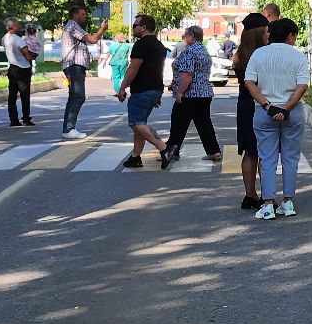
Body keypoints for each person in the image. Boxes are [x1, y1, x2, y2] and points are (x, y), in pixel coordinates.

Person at [243, 17, 310, 219]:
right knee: (291, 158)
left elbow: (249, 83)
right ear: (290, 35)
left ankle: (269, 203)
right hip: (293, 112)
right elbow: (302, 86)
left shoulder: (258, 54)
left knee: (267, 157)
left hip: (264, 112)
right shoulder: (298, 57)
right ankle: (288, 202)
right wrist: (286, 108)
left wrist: (268, 106)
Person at [115, 14, 171, 169]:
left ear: (144, 27)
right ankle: (135, 157)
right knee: (140, 124)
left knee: (136, 123)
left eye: (135, 25)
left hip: (142, 90)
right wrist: (156, 93)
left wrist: (122, 87)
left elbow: (133, 68)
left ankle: (164, 148)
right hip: (155, 89)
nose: (133, 28)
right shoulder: (159, 45)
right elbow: (156, 69)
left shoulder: (141, 44)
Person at [166, 24, 222, 163]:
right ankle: (213, 151)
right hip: (204, 93)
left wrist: (179, 92)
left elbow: (187, 74)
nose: (184, 37)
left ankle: (172, 151)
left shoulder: (189, 51)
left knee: (178, 123)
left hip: (190, 94)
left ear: (192, 36)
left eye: (185, 35)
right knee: (204, 124)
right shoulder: (203, 50)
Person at [232, 12, 270, 209]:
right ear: (260, 33)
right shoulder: (263, 54)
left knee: (249, 151)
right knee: (265, 151)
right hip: (261, 103)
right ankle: (267, 194)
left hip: (244, 105)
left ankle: (249, 194)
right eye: (266, 32)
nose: (268, 35)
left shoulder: (240, 54)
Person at [59, 5, 105, 140]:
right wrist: (102, 28)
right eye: (83, 14)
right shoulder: (73, 26)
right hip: (74, 65)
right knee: (78, 96)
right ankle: (68, 128)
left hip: (74, 66)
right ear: (75, 15)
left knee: (74, 97)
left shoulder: (72, 26)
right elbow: (93, 39)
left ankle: (68, 128)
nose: (85, 16)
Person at [2, 19, 34, 127]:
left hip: (12, 67)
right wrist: (31, 60)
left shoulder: (4, 38)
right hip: (23, 68)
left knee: (12, 95)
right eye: (17, 24)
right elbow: (26, 53)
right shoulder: (18, 40)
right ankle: (26, 118)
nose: (19, 26)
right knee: (25, 95)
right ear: (13, 26)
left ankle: (13, 119)